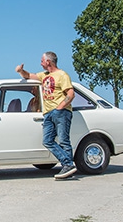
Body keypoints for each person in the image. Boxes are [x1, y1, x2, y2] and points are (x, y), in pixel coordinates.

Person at [16, 51, 76, 179]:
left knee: (64, 141)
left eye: (42, 61)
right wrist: (20, 71)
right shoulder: (44, 75)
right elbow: (28, 76)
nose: (40, 63)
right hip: (48, 113)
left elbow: (71, 94)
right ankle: (69, 165)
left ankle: (68, 169)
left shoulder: (62, 75)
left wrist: (59, 108)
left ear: (48, 61)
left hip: (61, 112)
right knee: (47, 141)